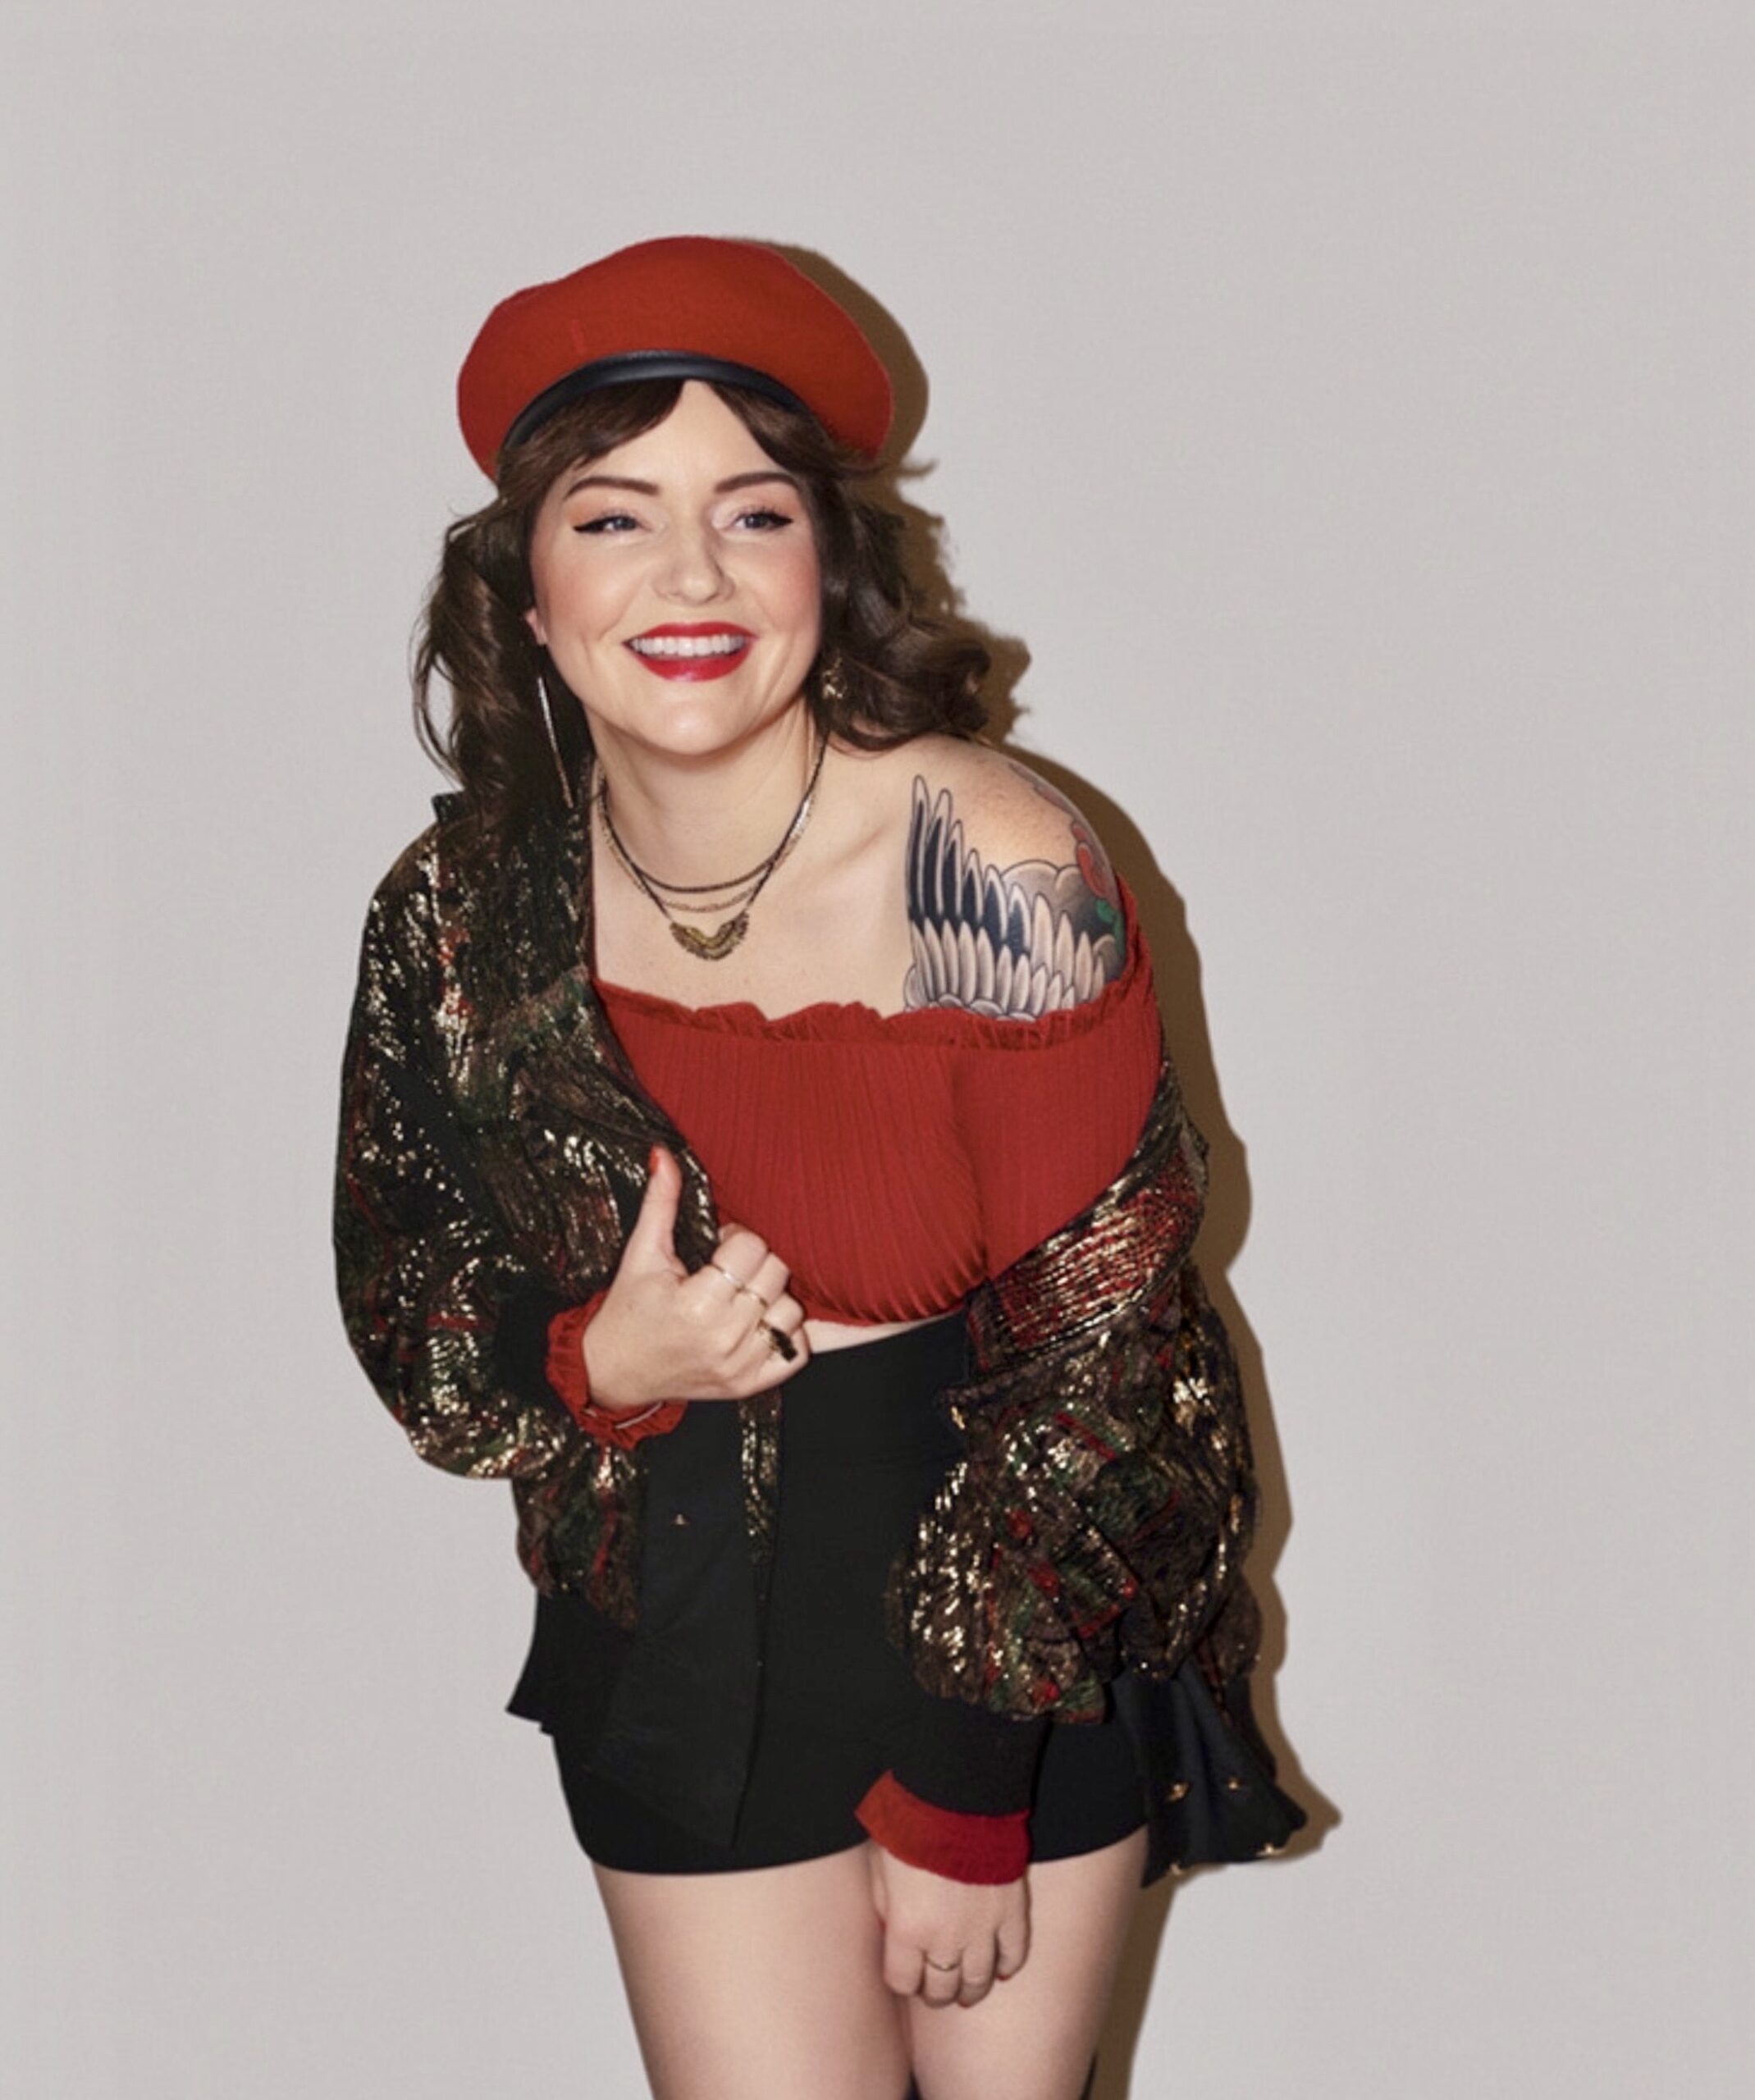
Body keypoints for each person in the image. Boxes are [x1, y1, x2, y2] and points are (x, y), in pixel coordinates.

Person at [334, 236, 1301, 2100]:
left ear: (825, 565)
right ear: (527, 593)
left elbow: (1109, 1352)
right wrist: (597, 1359)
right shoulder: (458, 909)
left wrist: (967, 1779)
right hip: (673, 1616)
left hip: (1014, 1614)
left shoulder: (991, 860)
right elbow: (405, 1293)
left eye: (752, 514)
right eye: (614, 518)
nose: (691, 575)